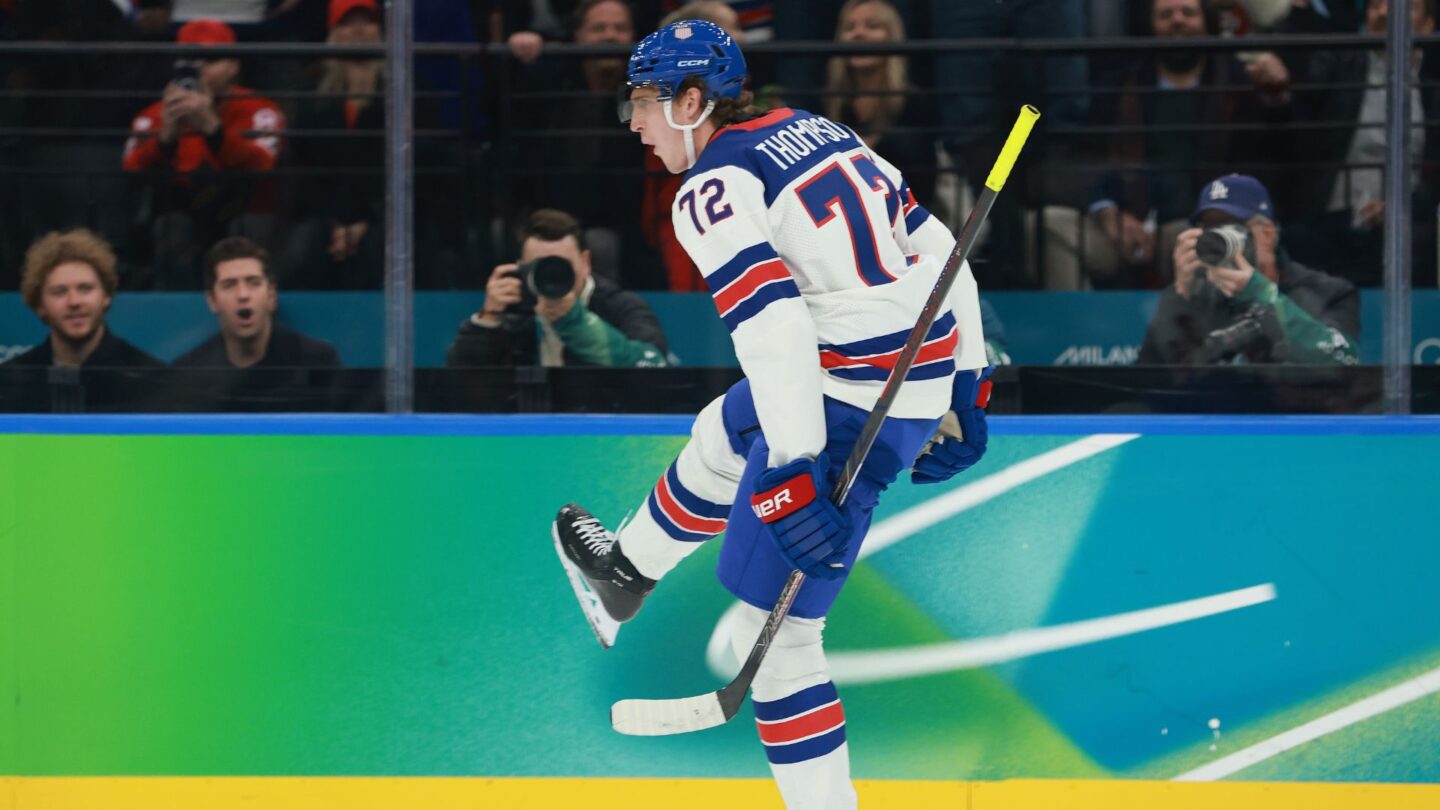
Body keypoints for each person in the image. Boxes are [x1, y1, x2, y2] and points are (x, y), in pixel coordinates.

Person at [550, 21, 991, 808]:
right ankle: (626, 572)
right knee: (726, 427)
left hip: (850, 401)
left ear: (692, 101)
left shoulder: (710, 187)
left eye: (643, 105)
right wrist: (968, 381)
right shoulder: (817, 128)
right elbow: (938, 252)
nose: (637, 127)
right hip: (898, 375)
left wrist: (793, 472)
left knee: (784, 641)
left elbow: (775, 327)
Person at [1026, 0, 1287, 290]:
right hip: (1122, 225)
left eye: (1188, 13)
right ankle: (1072, 332)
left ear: (1206, 22)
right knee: (1047, 224)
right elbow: (1087, 158)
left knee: (1191, 238)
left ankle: (1188, 332)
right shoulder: (1121, 83)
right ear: (1150, 25)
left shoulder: (1236, 86)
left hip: (1195, 223)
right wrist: (1108, 211)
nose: (1177, 21)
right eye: (1165, 15)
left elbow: (1264, 160)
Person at [1256, 0, 1439, 287]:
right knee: (1296, 242)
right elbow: (1297, 128)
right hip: (1330, 220)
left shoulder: (1432, 90)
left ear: (1428, 25)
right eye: (1376, 5)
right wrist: (1279, 97)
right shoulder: (1338, 65)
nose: (1383, 12)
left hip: (1405, 228)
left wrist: (1400, 207)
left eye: (1401, 6)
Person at [122, 19, 285, 289]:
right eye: (189, 60)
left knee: (250, 227)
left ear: (233, 65)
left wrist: (211, 125)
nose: (200, 69)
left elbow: (262, 165)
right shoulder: (156, 114)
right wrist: (165, 137)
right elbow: (131, 170)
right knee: (170, 226)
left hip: (244, 209)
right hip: (186, 213)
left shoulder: (259, 108)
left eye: (210, 59)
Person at [1139, 174, 1359, 365]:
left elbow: (1343, 362)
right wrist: (1180, 297)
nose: (1219, 238)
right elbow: (1148, 386)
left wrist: (1262, 295)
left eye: (1232, 226)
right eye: (1210, 228)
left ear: (1267, 234)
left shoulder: (1328, 292)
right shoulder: (1197, 294)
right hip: (1214, 411)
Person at [446, 208, 669, 367]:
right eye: (541, 266)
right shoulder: (513, 310)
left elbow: (652, 366)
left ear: (585, 263)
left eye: (562, 266)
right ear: (522, 267)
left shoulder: (620, 306)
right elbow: (460, 385)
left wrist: (573, 320)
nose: (552, 276)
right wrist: (487, 320)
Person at [173, 236, 340, 368]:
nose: (243, 295)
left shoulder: (319, 362)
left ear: (271, 295)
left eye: (253, 282)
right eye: (229, 285)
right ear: (212, 301)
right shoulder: (188, 372)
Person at [3, 229, 161, 368]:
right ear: (39, 305)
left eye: (85, 289)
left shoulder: (149, 377)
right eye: (59, 292)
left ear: (106, 296)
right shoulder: (12, 381)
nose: (74, 302)